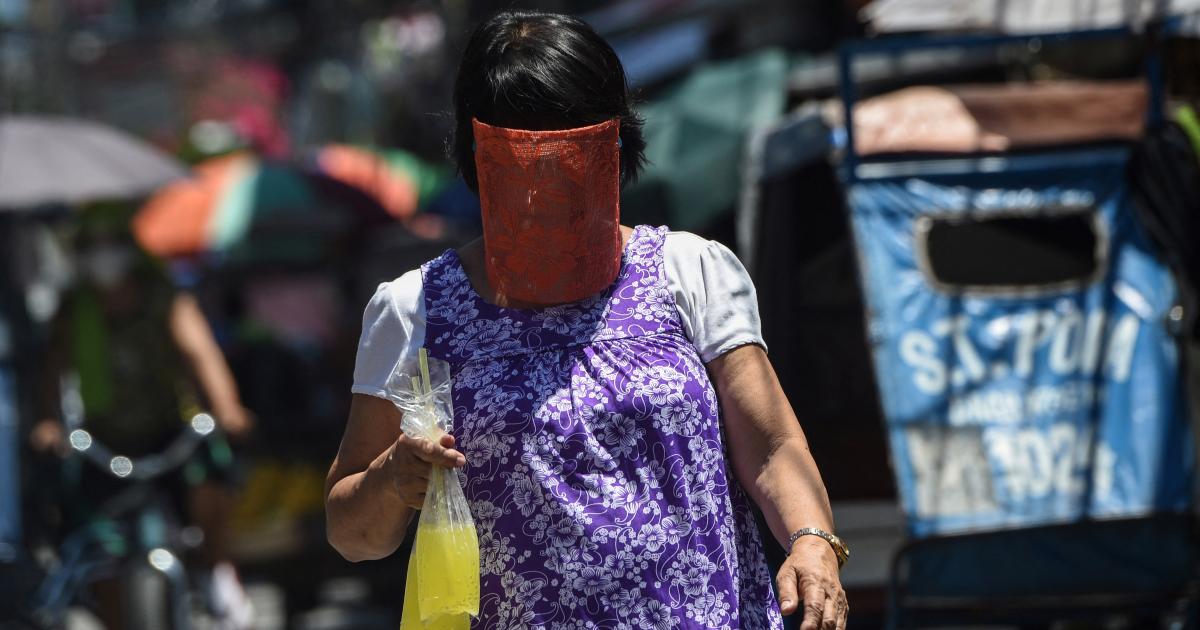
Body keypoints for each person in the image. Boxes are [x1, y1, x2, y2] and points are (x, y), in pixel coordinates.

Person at [325, 10, 848, 630]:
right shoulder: (415, 309)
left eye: (571, 158)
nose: (548, 190)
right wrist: (393, 479)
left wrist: (813, 542)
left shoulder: (691, 271)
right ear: (478, 158)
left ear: (615, 146)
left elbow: (772, 447)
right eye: (525, 164)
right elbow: (350, 533)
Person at [31, 209, 255, 629]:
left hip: (169, 433)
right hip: (105, 442)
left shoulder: (165, 298)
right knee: (93, 536)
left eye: (111, 243)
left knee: (209, 477)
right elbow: (52, 371)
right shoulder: (73, 309)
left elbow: (201, 354)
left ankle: (217, 572)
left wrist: (226, 407)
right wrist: (47, 422)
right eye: (92, 246)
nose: (104, 256)